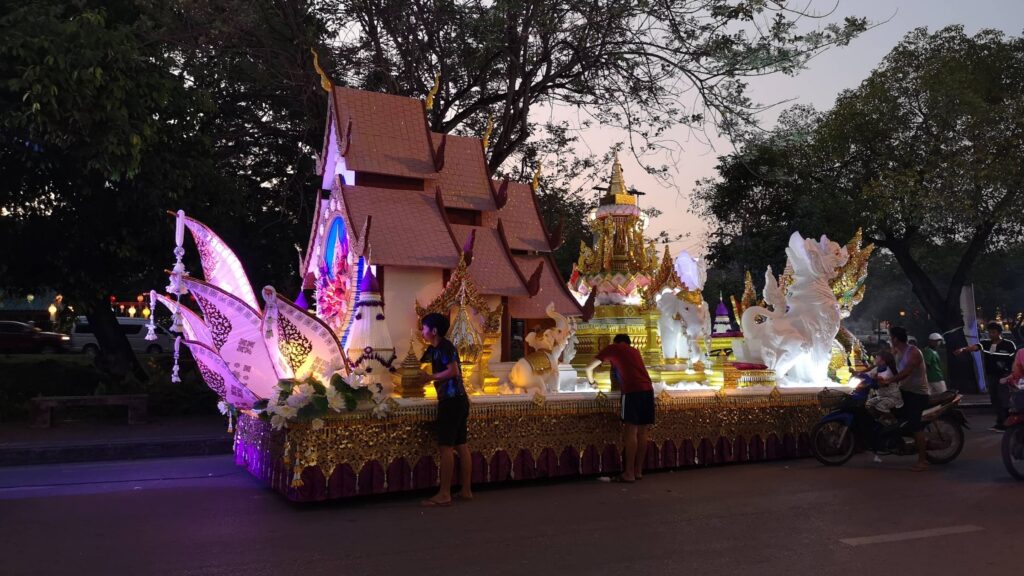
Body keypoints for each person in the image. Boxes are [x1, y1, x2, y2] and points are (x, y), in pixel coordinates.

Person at [585, 334, 654, 483]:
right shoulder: (635, 351)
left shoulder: (613, 348)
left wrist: (592, 382)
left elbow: (588, 368)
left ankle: (629, 473)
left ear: (615, 342)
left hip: (632, 391)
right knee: (643, 432)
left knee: (631, 431)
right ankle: (638, 470)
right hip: (647, 390)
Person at [419, 312, 472, 506]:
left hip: (451, 401)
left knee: (446, 447)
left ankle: (444, 493)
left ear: (434, 331)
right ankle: (466, 490)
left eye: (424, 328)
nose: (421, 331)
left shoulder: (444, 347)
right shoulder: (436, 349)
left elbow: (453, 371)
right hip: (459, 399)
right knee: (461, 445)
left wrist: (429, 378)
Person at [878, 326, 930, 471]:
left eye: (890, 337)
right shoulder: (896, 351)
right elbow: (883, 362)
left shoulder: (913, 352)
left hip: (917, 394)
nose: (889, 340)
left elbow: (907, 372)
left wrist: (889, 381)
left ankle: (923, 460)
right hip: (903, 391)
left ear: (895, 338)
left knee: (915, 425)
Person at [955, 321, 1017, 431]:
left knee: (1004, 399)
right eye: (990, 332)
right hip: (991, 376)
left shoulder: (1009, 344)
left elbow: (1015, 360)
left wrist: (1011, 374)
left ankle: (1007, 423)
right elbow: (975, 347)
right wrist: (963, 350)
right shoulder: (986, 343)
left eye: (993, 332)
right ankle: (1000, 422)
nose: (991, 334)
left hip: (1004, 376)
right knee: (994, 399)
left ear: (999, 332)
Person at [864, 352, 900, 424]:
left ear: (883, 361)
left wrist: (864, 386)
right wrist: (857, 374)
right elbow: (868, 374)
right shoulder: (878, 368)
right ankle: (878, 420)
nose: (875, 359)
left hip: (892, 396)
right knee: (868, 404)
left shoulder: (887, 372)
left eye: (877, 358)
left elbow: (880, 384)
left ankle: (894, 421)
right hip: (882, 395)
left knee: (880, 406)